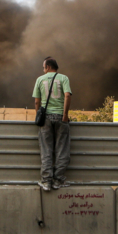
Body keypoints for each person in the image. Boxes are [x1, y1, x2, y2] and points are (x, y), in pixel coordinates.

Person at [32, 57, 72, 191]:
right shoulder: (64, 78)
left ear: (48, 67)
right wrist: (65, 115)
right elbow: (67, 95)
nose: (43, 70)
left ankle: (46, 182)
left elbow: (37, 102)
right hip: (61, 117)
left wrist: (39, 116)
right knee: (62, 150)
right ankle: (58, 181)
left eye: (44, 67)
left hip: (46, 119)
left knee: (46, 150)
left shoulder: (40, 79)